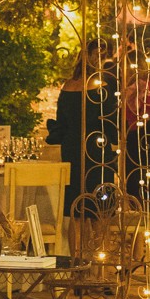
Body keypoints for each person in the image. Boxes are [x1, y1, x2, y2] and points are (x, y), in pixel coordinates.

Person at [52, 43, 117, 222]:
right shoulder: (100, 87)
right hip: (95, 148)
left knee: (76, 210)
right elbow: (110, 121)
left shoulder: (67, 86)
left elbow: (60, 122)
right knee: (98, 209)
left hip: (71, 147)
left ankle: (76, 251)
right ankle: (96, 249)